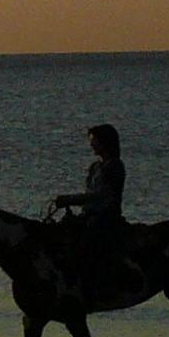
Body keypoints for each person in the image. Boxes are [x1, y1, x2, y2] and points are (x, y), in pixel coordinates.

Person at [51, 122, 130, 294]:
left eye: (95, 141)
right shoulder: (95, 167)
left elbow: (101, 195)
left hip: (106, 217)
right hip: (89, 214)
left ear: (105, 142)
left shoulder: (115, 166)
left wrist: (70, 200)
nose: (92, 144)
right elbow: (90, 194)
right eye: (91, 141)